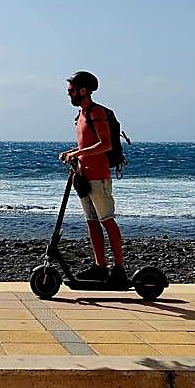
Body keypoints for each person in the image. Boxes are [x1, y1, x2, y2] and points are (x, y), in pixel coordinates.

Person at [59, 70, 127, 287]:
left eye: (71, 91)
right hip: (84, 177)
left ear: (83, 90)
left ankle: (119, 269)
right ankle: (100, 266)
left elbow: (105, 144)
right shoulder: (80, 115)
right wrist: (71, 153)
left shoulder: (95, 113)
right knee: (92, 222)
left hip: (99, 177)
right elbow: (84, 146)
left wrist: (77, 154)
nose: (69, 95)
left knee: (106, 220)